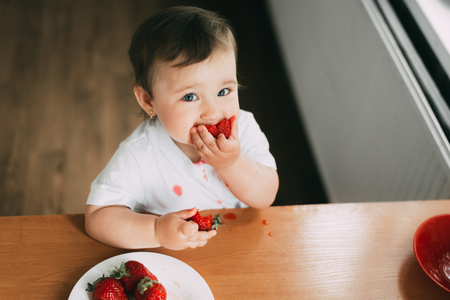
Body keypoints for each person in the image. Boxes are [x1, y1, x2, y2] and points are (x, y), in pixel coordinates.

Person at [84, 6, 279, 250]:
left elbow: (266, 195)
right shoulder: (140, 153)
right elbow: (98, 217)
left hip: (234, 247)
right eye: (189, 97)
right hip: (169, 261)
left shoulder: (245, 128)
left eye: (223, 91)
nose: (213, 112)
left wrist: (232, 163)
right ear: (148, 101)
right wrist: (156, 231)